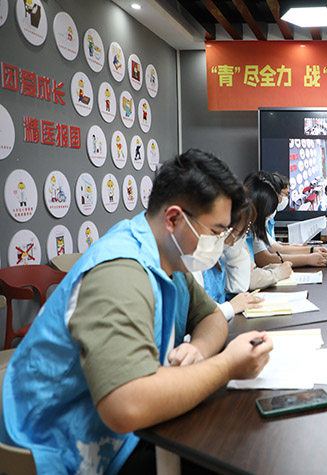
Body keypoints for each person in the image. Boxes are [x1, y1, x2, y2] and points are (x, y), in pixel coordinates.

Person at [0, 149, 273, 473]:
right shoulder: (120, 272)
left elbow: (211, 317)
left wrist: (198, 350)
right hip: (63, 445)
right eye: (215, 232)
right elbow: (126, 406)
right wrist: (227, 366)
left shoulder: (169, 258)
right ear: (174, 219)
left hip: (123, 423)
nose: (219, 243)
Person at [194, 197, 264, 319]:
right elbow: (199, 312)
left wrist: (234, 250)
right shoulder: (193, 259)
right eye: (237, 233)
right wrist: (231, 307)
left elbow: (239, 285)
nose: (237, 239)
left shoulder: (220, 256)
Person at [245, 171, 327, 268]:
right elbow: (264, 259)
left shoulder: (257, 221)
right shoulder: (250, 225)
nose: (281, 200)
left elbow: (276, 248)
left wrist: (311, 250)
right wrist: (307, 259)